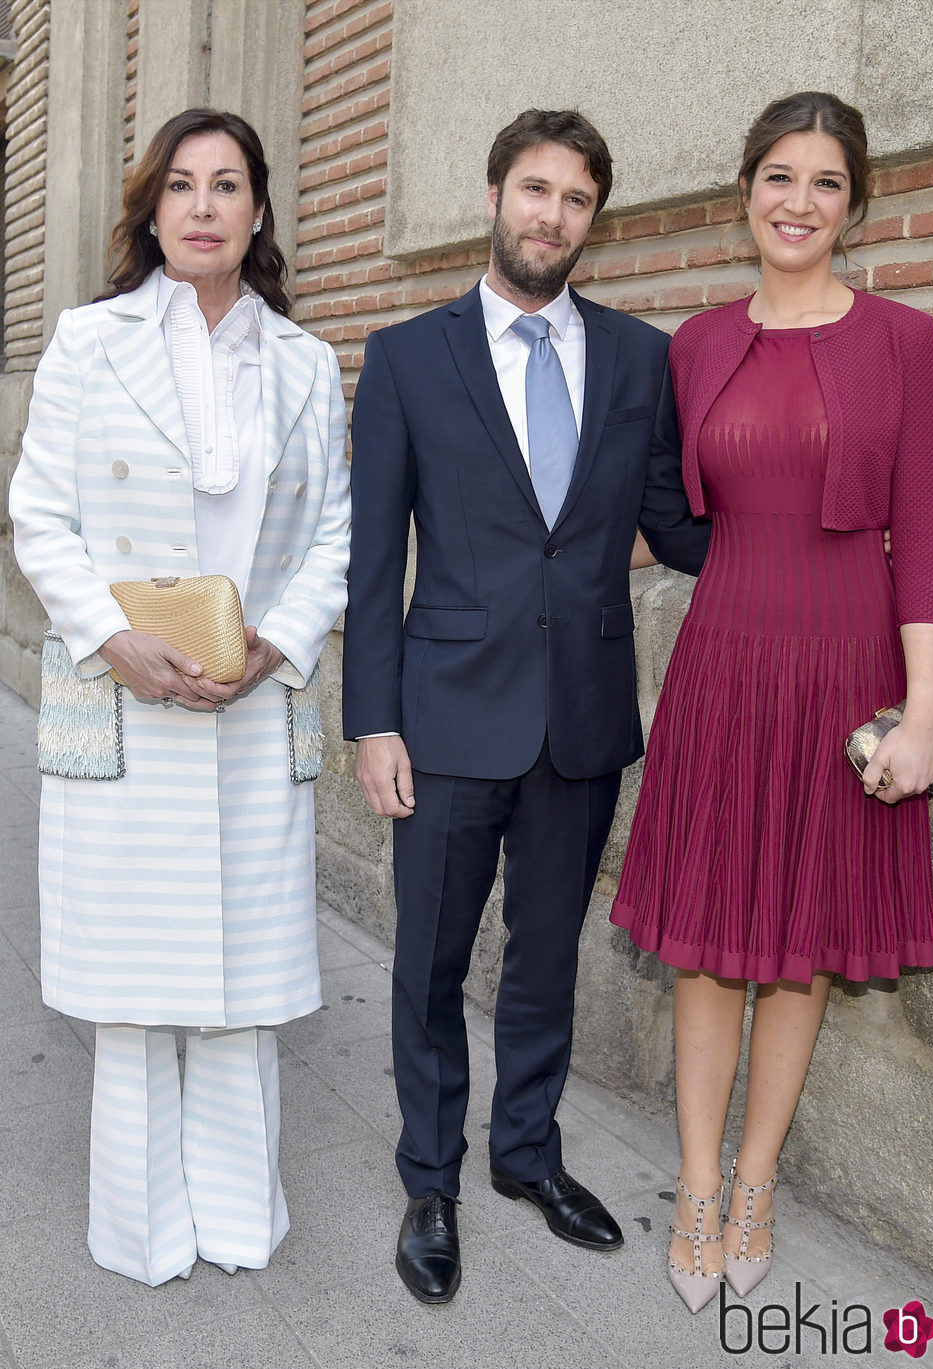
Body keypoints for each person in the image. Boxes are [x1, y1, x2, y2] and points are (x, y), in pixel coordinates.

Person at [342, 108, 710, 1304]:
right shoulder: (405, 356)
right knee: (430, 963)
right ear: (494, 193)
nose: (550, 215)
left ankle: (525, 1156)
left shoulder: (640, 359)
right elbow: (370, 556)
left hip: (580, 719)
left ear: (591, 220)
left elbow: (674, 521)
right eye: (534, 189)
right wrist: (371, 718)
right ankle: (430, 1179)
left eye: (575, 199)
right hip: (442, 717)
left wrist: (807, 526)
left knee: (546, 956)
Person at [613, 91, 933, 1314]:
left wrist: (922, 712)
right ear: (742, 193)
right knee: (707, 946)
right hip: (722, 664)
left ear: (853, 205)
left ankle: (755, 1183)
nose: (795, 201)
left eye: (821, 181)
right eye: (776, 176)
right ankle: (695, 1186)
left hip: (842, 670)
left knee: (797, 948)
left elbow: (920, 537)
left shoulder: (902, 342)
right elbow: (664, 517)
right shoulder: (694, 344)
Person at [9, 108, 350, 1286]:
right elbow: (38, 515)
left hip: (252, 700)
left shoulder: (305, 364)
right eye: (182, 186)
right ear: (152, 211)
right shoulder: (87, 341)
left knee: (241, 987)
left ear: (258, 210)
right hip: (124, 700)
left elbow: (334, 535)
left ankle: (240, 1221)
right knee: (135, 990)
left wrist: (279, 643)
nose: (204, 206)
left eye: (228, 185)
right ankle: (140, 1232)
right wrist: (111, 637)